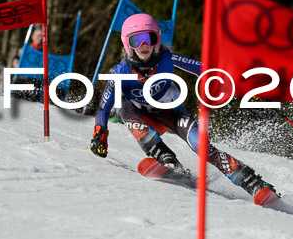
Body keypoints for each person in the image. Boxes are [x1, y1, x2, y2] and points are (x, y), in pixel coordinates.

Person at [88, 13, 279, 204]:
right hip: (141, 117)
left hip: (172, 113)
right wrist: (100, 133)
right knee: (122, 105)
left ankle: (253, 183)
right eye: (137, 40)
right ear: (127, 44)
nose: (143, 45)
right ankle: (166, 159)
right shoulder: (120, 72)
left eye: (149, 38)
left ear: (157, 39)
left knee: (203, 147)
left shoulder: (167, 59)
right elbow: (104, 108)